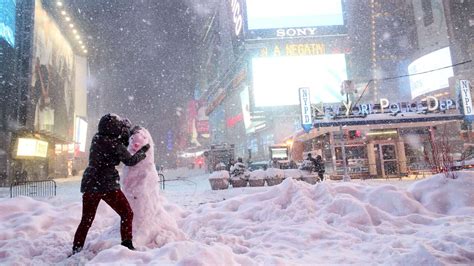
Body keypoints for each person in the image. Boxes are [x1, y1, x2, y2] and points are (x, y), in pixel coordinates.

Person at [72, 114, 150, 255]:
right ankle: (127, 244)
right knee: (126, 213)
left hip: (91, 183)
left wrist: (123, 135)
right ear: (114, 129)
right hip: (107, 184)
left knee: (86, 220)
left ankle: (76, 248)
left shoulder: (97, 139)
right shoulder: (115, 144)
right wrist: (143, 152)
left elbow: (115, 145)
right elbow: (130, 160)